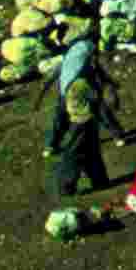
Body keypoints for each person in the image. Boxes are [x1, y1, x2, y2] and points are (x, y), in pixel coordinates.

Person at [42, 35, 130, 202]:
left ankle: (100, 182)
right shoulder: (86, 56)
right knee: (75, 152)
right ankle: (66, 187)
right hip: (81, 114)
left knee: (91, 151)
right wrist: (108, 88)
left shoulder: (73, 54)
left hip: (76, 104)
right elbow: (97, 92)